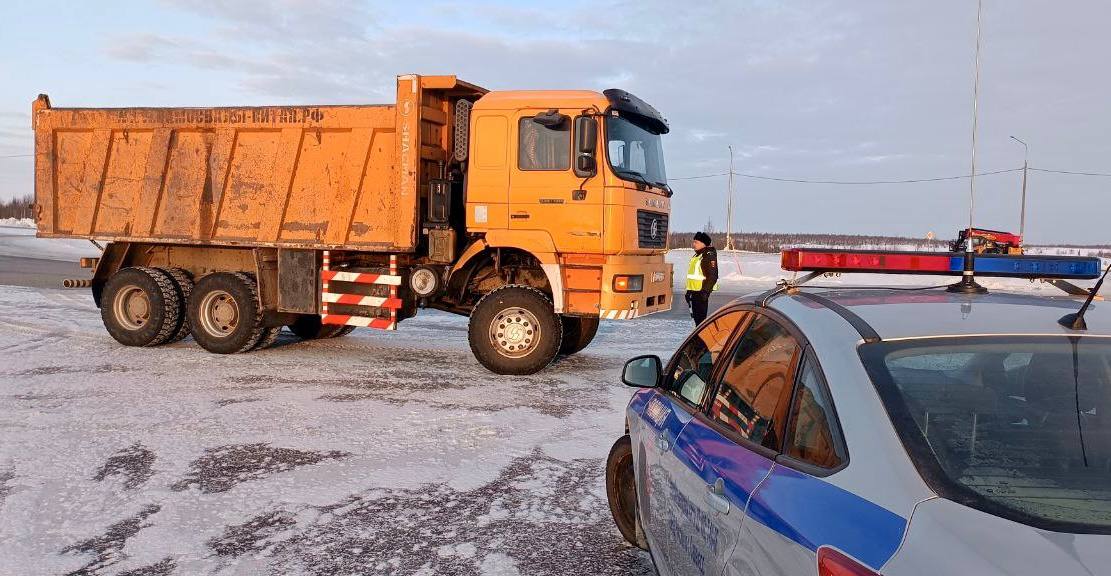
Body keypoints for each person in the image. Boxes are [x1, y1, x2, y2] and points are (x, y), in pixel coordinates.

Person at [685, 231, 719, 325]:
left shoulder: (707, 255)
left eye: (696, 242)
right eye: (693, 242)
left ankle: (702, 338)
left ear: (703, 244)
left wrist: (705, 292)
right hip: (695, 292)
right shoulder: (697, 255)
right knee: (697, 321)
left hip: (701, 292)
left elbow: (712, 276)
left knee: (701, 321)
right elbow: (693, 276)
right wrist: (689, 291)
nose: (693, 244)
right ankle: (698, 337)